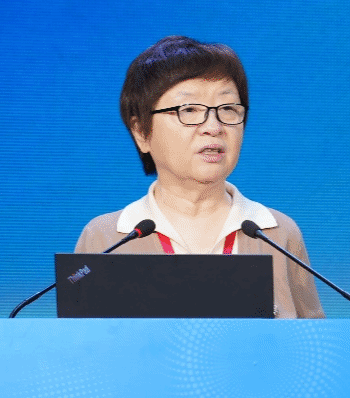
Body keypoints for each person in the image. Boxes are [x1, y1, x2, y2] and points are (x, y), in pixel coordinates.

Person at [75, 35, 325, 318]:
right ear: (141, 132)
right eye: (190, 110)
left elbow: (311, 340)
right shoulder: (106, 239)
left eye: (228, 109)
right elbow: (81, 343)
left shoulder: (276, 233)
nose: (214, 127)